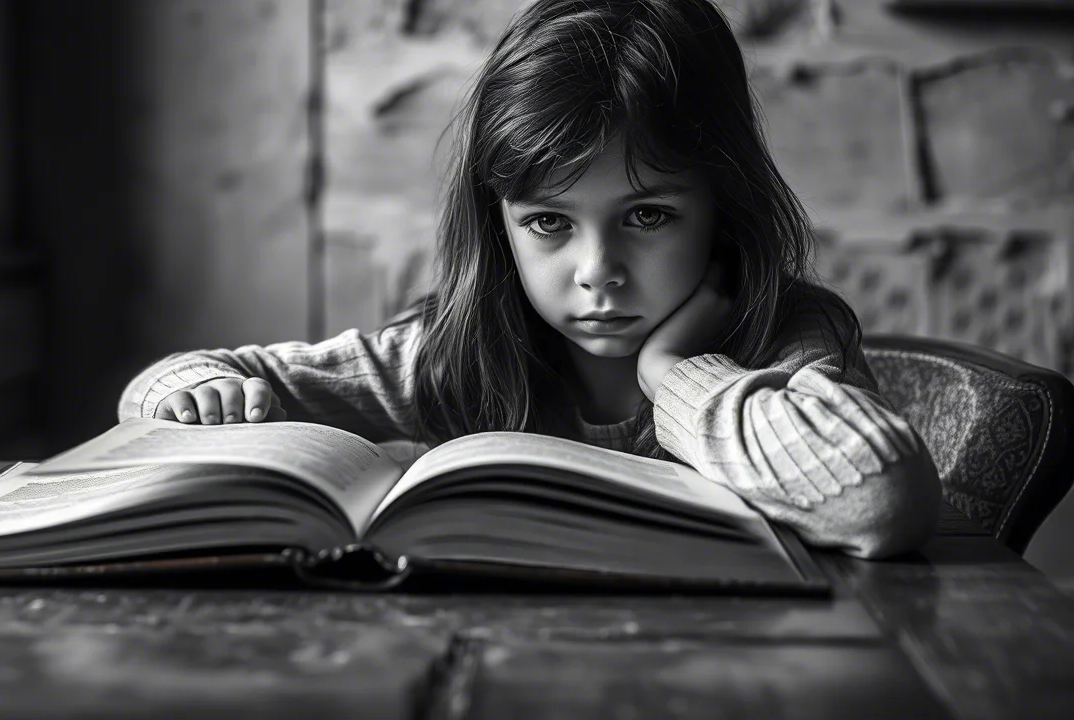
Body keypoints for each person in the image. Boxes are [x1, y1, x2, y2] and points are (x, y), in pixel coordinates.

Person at [119, 0, 941, 559]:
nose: (597, 275)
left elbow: (877, 500)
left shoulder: (788, 340)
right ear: (499, 222)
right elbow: (188, 386)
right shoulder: (455, 354)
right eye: (549, 223)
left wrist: (678, 376)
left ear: (723, 205)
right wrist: (193, 394)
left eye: (647, 217)